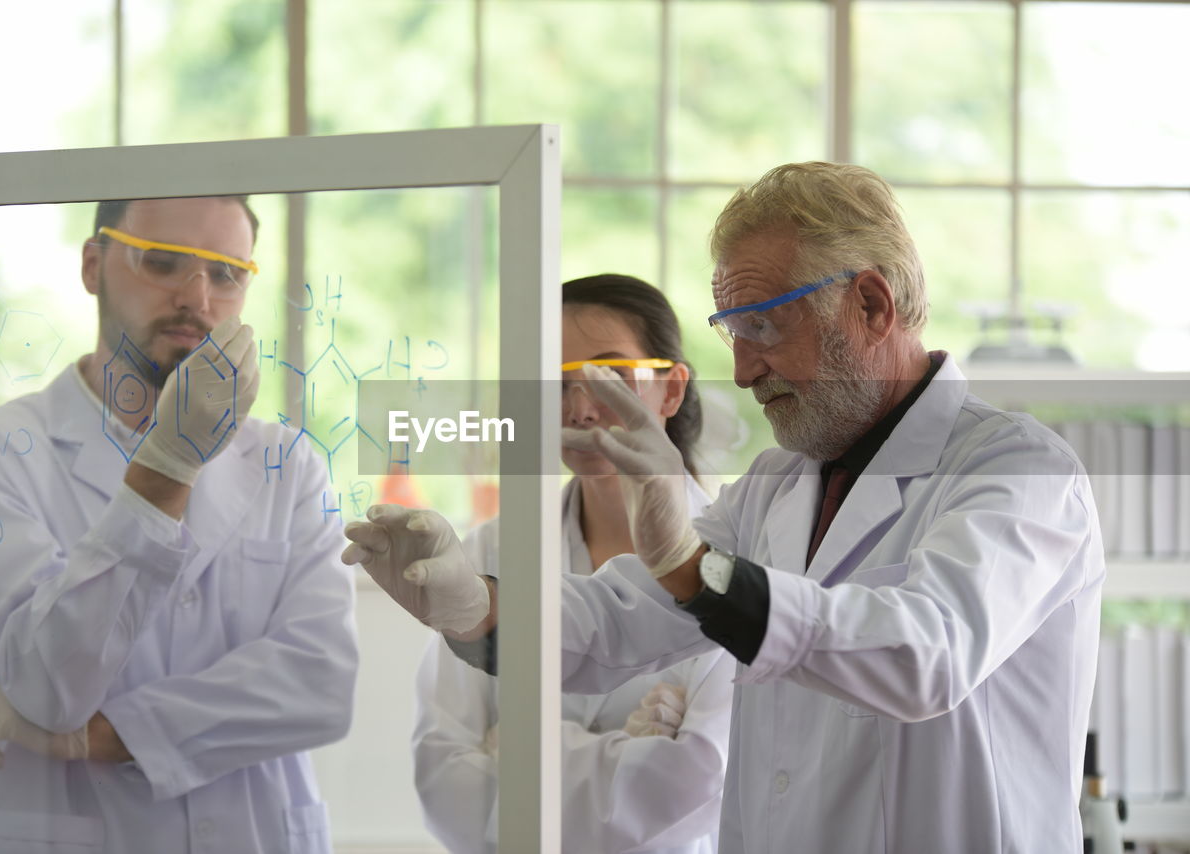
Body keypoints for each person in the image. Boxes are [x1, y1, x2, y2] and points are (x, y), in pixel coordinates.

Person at [342, 162, 1105, 853]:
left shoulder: (1018, 471)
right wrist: (476, 606)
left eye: (763, 325)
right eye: (731, 334)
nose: (741, 371)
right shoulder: (776, 485)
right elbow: (619, 620)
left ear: (871, 303)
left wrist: (691, 567)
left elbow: (924, 655)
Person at [0, 196, 357, 854]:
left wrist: (89, 735)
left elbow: (320, 686)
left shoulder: (288, 463)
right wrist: (166, 468)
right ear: (92, 265)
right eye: (163, 263)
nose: (197, 297)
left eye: (225, 275)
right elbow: (50, 682)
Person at [412, 274, 733, 854]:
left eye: (609, 375)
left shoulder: (732, 555)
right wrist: (628, 757)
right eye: (556, 383)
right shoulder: (489, 552)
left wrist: (516, 749)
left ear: (672, 389)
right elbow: (440, 771)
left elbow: (702, 779)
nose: (582, 409)